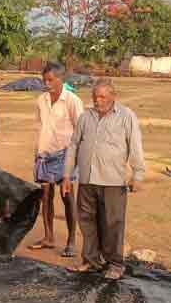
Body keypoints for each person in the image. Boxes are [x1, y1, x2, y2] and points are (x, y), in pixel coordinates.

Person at [62, 79, 145, 281]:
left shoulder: (126, 116)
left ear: (113, 97)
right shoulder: (85, 117)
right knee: (87, 221)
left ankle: (115, 264)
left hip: (113, 181)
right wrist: (66, 175)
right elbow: (73, 145)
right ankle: (91, 261)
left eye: (102, 97)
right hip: (87, 180)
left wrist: (138, 174)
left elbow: (135, 146)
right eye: (95, 97)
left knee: (112, 223)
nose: (98, 101)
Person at [30, 61, 84, 257]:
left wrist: (75, 160)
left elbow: (80, 130)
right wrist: (38, 152)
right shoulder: (41, 100)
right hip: (44, 155)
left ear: (61, 79)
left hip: (65, 156)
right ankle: (48, 237)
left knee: (67, 197)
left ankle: (71, 241)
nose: (46, 83)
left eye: (50, 80)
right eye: (44, 79)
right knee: (45, 198)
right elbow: (39, 127)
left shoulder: (72, 100)